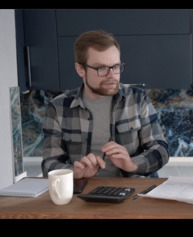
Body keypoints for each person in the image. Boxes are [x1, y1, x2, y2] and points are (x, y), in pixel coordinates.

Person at [42, 30, 169, 178]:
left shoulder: (136, 99)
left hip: (135, 193)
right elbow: (49, 164)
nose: (112, 75)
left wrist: (132, 164)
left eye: (115, 66)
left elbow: (161, 149)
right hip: (84, 193)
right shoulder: (58, 108)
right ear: (80, 70)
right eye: (101, 68)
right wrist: (75, 173)